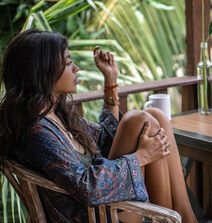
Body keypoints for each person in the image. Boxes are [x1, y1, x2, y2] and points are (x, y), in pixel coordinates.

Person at [0, 29, 197, 223]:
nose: (76, 68)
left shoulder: (56, 113)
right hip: (96, 215)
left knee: (155, 116)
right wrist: (142, 156)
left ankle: (188, 219)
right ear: (43, 71)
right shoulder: (37, 132)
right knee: (138, 120)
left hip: (106, 208)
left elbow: (105, 138)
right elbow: (87, 187)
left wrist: (110, 80)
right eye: (68, 63)